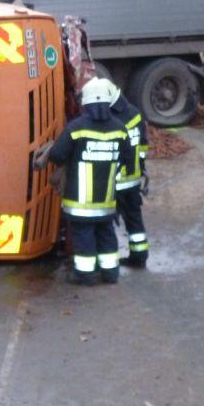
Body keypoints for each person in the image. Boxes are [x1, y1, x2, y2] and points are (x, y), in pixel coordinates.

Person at [41, 77, 135, 285]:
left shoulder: (76, 128)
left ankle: (85, 275)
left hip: (80, 201)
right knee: (106, 233)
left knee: (84, 236)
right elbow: (128, 158)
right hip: (106, 200)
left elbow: (57, 155)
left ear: (86, 102)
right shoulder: (120, 129)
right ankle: (110, 273)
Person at [108, 82, 150, 268]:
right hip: (132, 179)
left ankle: (107, 263)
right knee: (134, 220)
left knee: (105, 222)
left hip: (114, 182)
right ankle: (139, 257)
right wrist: (140, 166)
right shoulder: (134, 113)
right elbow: (143, 144)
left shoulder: (109, 119)